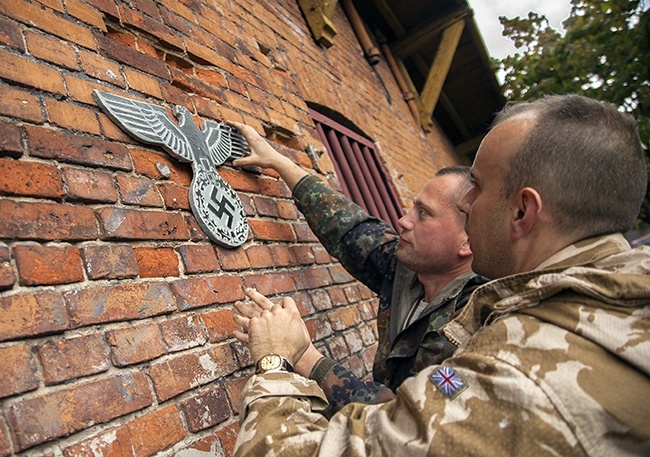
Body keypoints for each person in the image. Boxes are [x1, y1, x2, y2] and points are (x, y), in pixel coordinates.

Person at [232, 94, 650, 456]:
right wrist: (280, 162)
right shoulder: (412, 270)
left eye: (479, 188)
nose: (468, 201)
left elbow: (395, 422)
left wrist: (283, 360)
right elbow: (351, 227)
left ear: (523, 211)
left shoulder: (519, 366)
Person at [228, 120, 484, 414]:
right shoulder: (406, 268)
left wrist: (304, 355)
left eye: (423, 214)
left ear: (468, 242)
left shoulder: (478, 325)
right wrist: (278, 161)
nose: (404, 221)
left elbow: (403, 421)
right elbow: (347, 226)